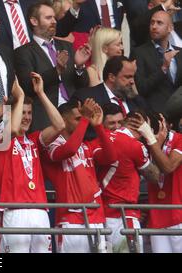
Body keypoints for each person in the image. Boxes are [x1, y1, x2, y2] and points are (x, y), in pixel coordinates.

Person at [0, 72, 65, 253]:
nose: (27, 117)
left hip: (40, 210)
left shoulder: (33, 140)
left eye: (29, 113)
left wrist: (40, 93)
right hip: (14, 210)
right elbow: (14, 129)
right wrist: (21, 96)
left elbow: (60, 126)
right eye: (22, 112)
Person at [41, 98, 117, 253]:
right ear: (62, 119)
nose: (84, 121)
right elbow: (69, 150)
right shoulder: (51, 146)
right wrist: (85, 120)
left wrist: (98, 127)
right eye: (78, 118)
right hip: (70, 220)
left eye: (84, 118)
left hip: (96, 216)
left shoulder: (86, 146)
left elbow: (111, 157)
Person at [14, 0, 90, 131]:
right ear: (34, 21)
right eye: (48, 18)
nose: (54, 21)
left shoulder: (66, 46)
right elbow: (28, 86)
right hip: (45, 117)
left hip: (73, 114)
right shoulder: (23, 52)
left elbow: (82, 84)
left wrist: (79, 66)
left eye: (54, 17)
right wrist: (57, 71)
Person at [98, 111, 161, 253]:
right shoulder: (134, 145)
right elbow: (155, 176)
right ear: (140, 125)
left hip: (102, 215)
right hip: (124, 217)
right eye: (148, 128)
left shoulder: (103, 137)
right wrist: (152, 139)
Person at [135, 114, 182, 253]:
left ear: (165, 125)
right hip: (156, 218)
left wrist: (153, 142)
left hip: (178, 215)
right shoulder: (145, 144)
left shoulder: (179, 139)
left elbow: (168, 167)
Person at [131, 10, 182, 115]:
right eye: (152, 22)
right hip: (156, 113)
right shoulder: (139, 53)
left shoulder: (179, 52)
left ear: (170, 28)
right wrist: (163, 68)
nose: (154, 26)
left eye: (159, 23)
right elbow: (141, 88)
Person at [73, 56, 148, 118]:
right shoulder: (86, 98)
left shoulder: (138, 102)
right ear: (111, 77)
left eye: (133, 77)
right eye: (128, 77)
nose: (132, 82)